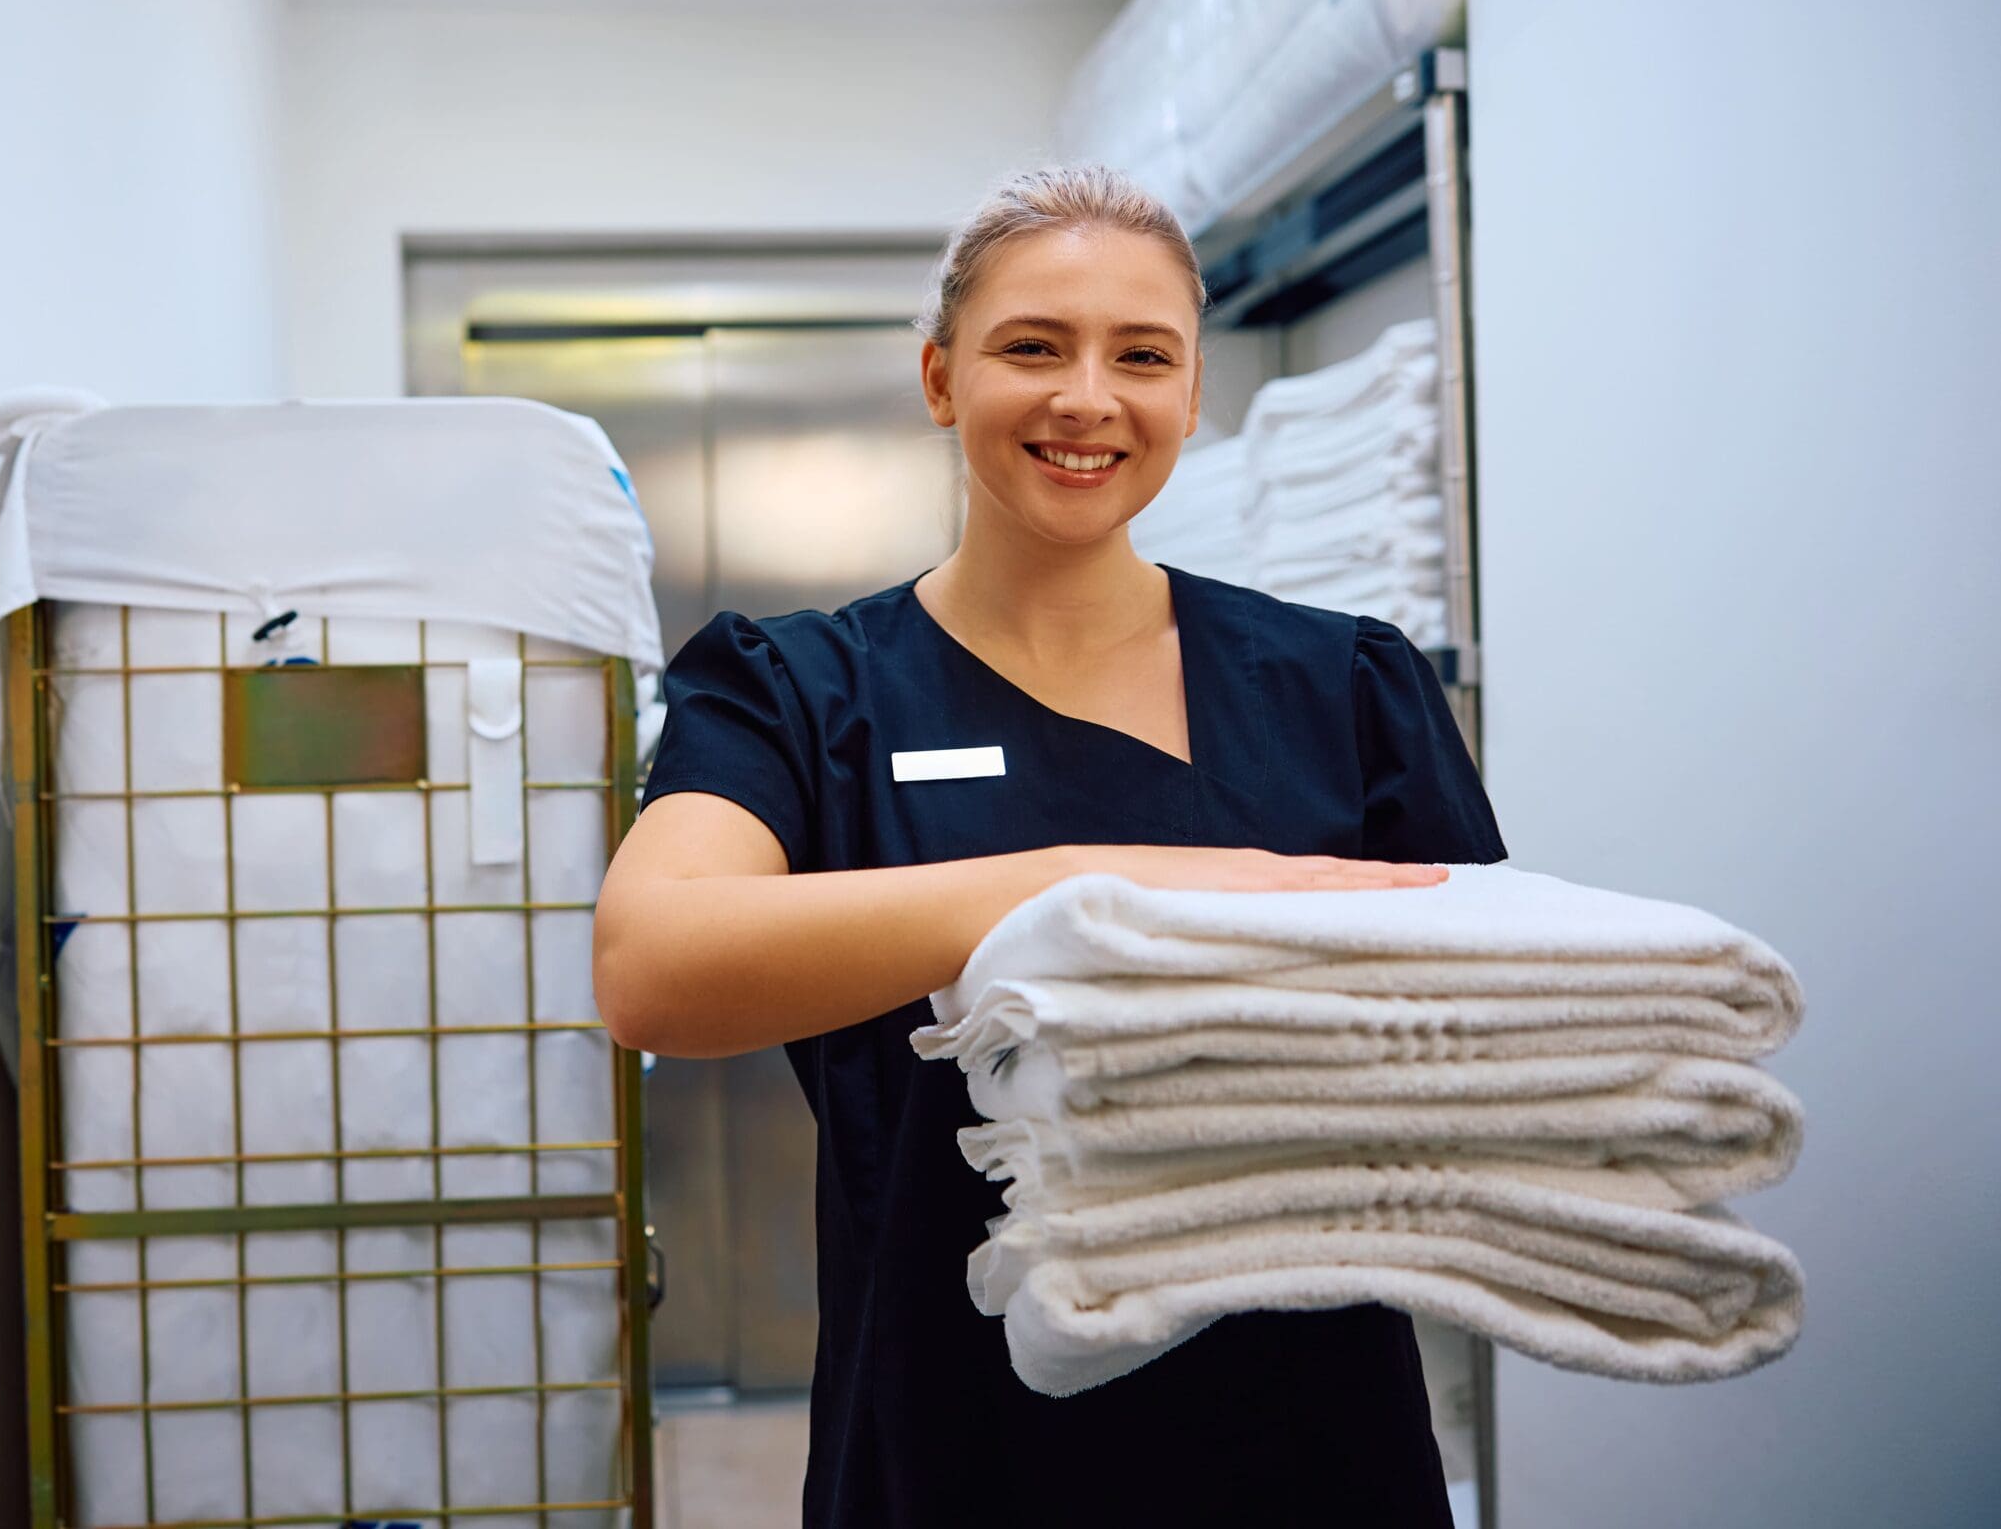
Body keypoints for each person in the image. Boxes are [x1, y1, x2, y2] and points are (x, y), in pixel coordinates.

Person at [591, 165, 1506, 1526]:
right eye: (1033, 347)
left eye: (1143, 356)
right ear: (941, 377)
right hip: (949, 1425)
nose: (1089, 398)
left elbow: (1491, 1029)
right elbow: (655, 966)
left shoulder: (1344, 685)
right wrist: (1086, 885)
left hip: (1308, 1431)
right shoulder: (794, 689)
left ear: (1194, 397)